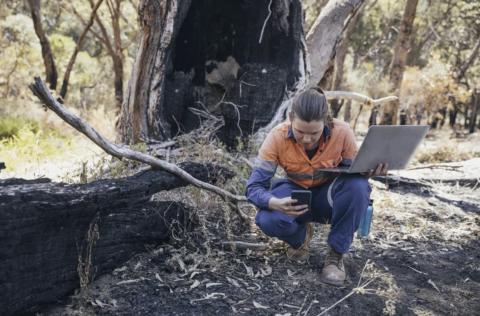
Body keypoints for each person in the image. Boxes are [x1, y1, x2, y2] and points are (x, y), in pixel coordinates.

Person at [245, 88, 387, 286]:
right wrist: (274, 202)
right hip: (295, 196)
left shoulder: (343, 132)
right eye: (300, 132)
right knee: (266, 219)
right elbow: (253, 188)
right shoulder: (276, 137)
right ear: (291, 118)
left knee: (358, 186)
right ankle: (300, 239)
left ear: (327, 121)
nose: (307, 139)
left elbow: (352, 176)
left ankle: (336, 256)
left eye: (314, 133)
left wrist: (368, 171)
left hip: (328, 198)